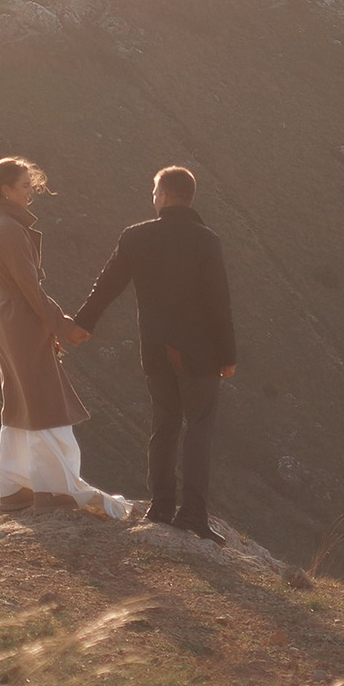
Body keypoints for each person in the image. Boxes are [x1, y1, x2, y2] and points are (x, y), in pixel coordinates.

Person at [73, 165, 236, 542]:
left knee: (164, 425)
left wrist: (82, 324)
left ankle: (161, 506)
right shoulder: (206, 241)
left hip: (156, 350)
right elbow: (219, 302)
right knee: (199, 427)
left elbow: (107, 285)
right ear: (188, 198)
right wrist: (228, 355)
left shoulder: (136, 236)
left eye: (154, 191)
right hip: (199, 353)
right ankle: (192, 513)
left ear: (162, 195)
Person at [0, 157, 132, 519]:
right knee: (45, 403)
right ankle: (54, 489)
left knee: (21, 400)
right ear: (6, 190)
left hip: (8, 318)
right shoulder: (10, 228)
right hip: (21, 317)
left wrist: (48, 327)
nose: (30, 192)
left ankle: (17, 487)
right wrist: (62, 326)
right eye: (24, 186)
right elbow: (30, 289)